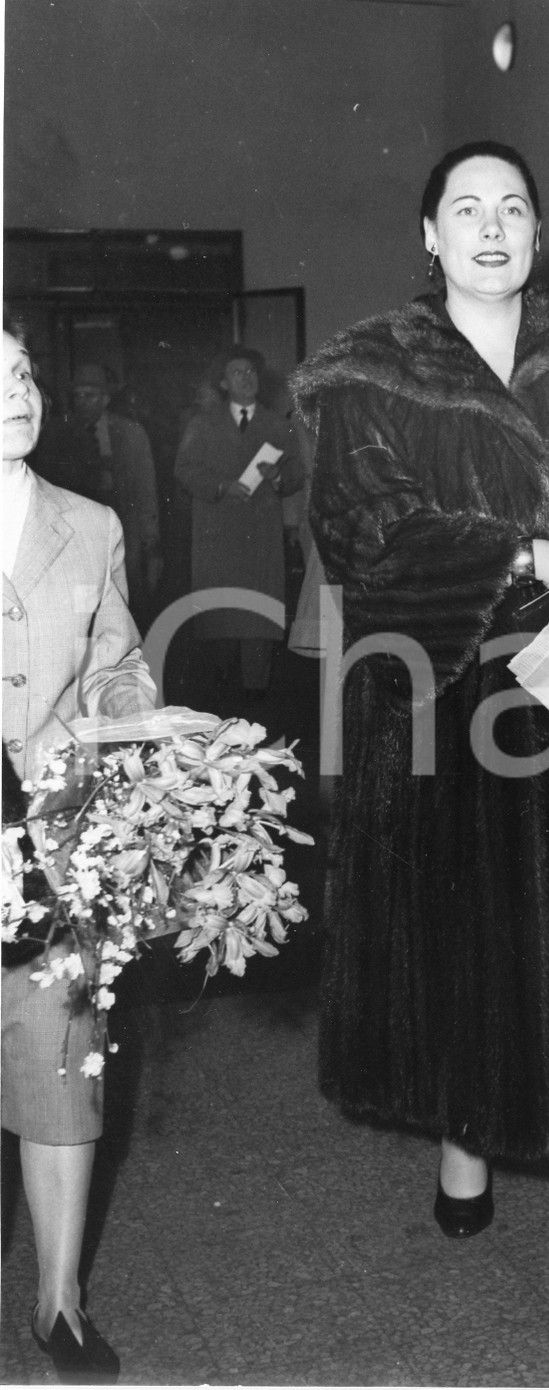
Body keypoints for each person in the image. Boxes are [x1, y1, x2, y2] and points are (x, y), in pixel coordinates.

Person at [291, 142, 549, 1341]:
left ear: (537, 230)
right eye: (464, 209)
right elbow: (359, 533)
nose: (490, 227)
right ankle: (461, 1139)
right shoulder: (366, 374)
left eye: (512, 208)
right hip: (440, 701)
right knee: (461, 950)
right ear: (428, 235)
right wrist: (526, 556)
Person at [2, 313, 157, 1382]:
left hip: (56, 829)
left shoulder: (89, 524)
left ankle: (60, 1298)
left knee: (62, 1065)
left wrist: (132, 708)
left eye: (22, 370)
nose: (17, 387)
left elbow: (116, 660)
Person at [174, 347, 304, 695]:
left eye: (251, 372)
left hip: (260, 535)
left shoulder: (278, 425)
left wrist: (277, 477)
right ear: (222, 383)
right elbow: (183, 470)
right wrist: (220, 486)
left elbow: (296, 474)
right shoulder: (201, 424)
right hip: (217, 534)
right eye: (237, 372)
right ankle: (220, 697)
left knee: (258, 622)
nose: (247, 378)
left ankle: (256, 698)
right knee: (221, 619)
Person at [31, 362, 162, 625]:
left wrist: (151, 539)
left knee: (127, 598)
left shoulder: (131, 433)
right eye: (77, 396)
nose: (82, 402)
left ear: (106, 398)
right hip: (78, 529)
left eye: (89, 395)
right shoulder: (57, 432)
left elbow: (145, 488)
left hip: (122, 524)